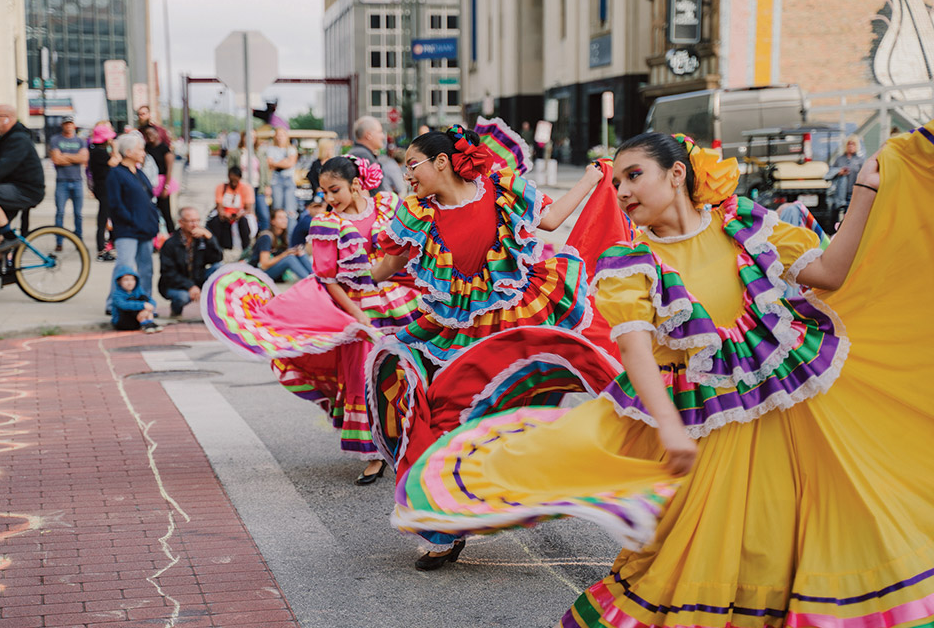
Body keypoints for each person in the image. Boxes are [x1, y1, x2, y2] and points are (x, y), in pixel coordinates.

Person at [388, 129, 934, 627]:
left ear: (676, 175)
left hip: (792, 430)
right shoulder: (630, 263)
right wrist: (670, 428)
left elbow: (831, 274)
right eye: (618, 180)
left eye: (634, 176)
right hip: (703, 442)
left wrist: (865, 188)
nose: (622, 191)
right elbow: (636, 352)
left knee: (794, 549)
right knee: (693, 567)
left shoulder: (743, 226)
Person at [367, 125, 603, 569]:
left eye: (412, 164)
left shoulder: (500, 190)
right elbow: (387, 267)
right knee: (431, 412)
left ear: (441, 162)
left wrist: (592, 178)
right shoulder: (417, 213)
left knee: (501, 423)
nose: (407, 175)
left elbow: (550, 221)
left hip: (507, 320)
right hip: (450, 328)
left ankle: (491, 499)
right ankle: (442, 526)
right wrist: (357, 264)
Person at [201, 156, 421, 485]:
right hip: (354, 309)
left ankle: (410, 444)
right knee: (366, 379)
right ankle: (377, 454)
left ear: (356, 184)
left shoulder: (389, 205)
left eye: (335, 190)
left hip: (400, 302)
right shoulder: (326, 225)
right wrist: (359, 316)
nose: (329, 199)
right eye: (324, 192)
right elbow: (328, 279)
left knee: (407, 374)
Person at [0, 104, 45, 258]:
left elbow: (2, 167)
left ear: (7, 119)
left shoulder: (18, 139)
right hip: (13, 188)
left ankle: (10, 238)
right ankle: (6, 272)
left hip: (26, 190)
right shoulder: (1, 140)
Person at [107, 132, 160, 307]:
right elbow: (115, 203)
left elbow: (149, 196)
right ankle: (114, 303)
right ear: (128, 152)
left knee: (146, 269)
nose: (143, 153)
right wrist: (130, 219)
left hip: (145, 228)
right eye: (140, 149)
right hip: (127, 229)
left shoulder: (139, 172)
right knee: (124, 267)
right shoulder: (116, 174)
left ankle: (145, 301)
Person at [158, 206, 223, 317]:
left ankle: (213, 311)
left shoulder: (201, 238)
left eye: (197, 220)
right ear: (181, 222)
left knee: (218, 268)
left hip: (197, 278)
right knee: (183, 297)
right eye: (191, 221)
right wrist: (190, 286)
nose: (195, 224)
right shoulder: (170, 244)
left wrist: (210, 238)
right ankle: (176, 310)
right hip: (175, 285)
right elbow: (168, 272)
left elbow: (217, 258)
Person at [49, 116, 89, 251]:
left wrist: (64, 156)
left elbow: (84, 158)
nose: (68, 126)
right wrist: (74, 158)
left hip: (77, 181)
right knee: (60, 212)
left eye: (70, 124)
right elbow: (56, 159)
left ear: (74, 125)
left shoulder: (80, 141)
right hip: (62, 181)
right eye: (66, 124)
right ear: (63, 125)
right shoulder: (56, 140)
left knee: (78, 214)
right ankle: (59, 241)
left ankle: (79, 239)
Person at [247, 207, 312, 281]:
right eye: (280, 218)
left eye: (285, 218)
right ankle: (310, 281)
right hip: (261, 273)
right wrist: (285, 254)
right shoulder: (266, 237)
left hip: (272, 270)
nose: (284, 220)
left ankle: (316, 277)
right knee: (289, 258)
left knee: (300, 253)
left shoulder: (282, 236)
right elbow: (264, 265)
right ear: (273, 221)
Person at [88, 121, 121, 261]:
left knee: (110, 217)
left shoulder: (98, 150)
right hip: (103, 188)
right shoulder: (98, 152)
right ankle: (101, 250)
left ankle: (109, 244)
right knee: (103, 219)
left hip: (104, 187)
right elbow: (116, 161)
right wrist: (115, 147)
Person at [226, 132, 270, 231]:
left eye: (253, 137)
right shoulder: (235, 153)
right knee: (246, 214)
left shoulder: (259, 153)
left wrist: (267, 185)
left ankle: (264, 238)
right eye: (249, 137)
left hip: (258, 187)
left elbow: (265, 170)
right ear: (243, 138)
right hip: (242, 187)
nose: (251, 139)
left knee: (264, 215)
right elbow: (231, 171)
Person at [206, 166, 254, 251]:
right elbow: (219, 206)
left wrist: (239, 214)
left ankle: (246, 247)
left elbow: (248, 208)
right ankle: (219, 248)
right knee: (217, 222)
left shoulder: (246, 188)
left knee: (244, 223)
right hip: (225, 215)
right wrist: (225, 214)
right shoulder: (221, 187)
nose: (234, 184)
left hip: (240, 215)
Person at [142, 126, 175, 234]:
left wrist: (166, 187)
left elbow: (169, 169)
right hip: (149, 182)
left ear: (157, 134)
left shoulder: (164, 148)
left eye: (151, 133)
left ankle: (172, 236)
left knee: (166, 212)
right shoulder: (145, 148)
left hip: (162, 182)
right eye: (147, 134)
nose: (149, 136)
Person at [111, 265, 162, 333]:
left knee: (143, 298)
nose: (130, 283)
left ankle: (149, 322)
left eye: (132, 280)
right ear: (119, 282)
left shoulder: (138, 290)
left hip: (137, 320)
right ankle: (146, 323)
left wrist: (148, 308)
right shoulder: (117, 294)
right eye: (126, 280)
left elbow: (150, 300)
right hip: (123, 322)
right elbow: (124, 305)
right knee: (132, 301)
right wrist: (143, 305)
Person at [266, 127, 299, 227]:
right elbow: (269, 163)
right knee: (277, 210)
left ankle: (290, 239)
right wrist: (284, 161)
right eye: (278, 135)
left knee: (290, 211)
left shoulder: (291, 149)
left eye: (282, 135)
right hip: (276, 181)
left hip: (289, 181)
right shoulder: (271, 149)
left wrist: (276, 164)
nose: (280, 137)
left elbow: (290, 163)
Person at [826, 134, 865, 212]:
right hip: (839, 194)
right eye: (849, 144)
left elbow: (864, 176)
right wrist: (839, 172)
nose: (850, 146)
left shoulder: (860, 160)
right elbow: (829, 174)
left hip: (854, 193)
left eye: (853, 144)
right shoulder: (839, 159)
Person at [349, 116, 387, 194]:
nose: (383, 136)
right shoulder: (363, 156)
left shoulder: (358, 153)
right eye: (380, 132)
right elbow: (375, 192)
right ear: (368, 135)